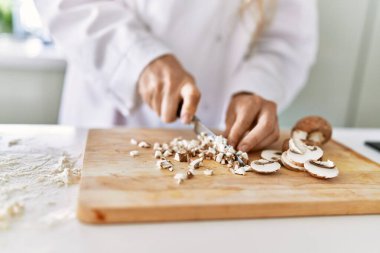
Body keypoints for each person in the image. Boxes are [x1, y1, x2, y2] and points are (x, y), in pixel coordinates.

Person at [35, 0, 317, 152]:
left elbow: (287, 41)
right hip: (107, 112)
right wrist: (138, 57)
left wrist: (254, 88)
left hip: (221, 121)